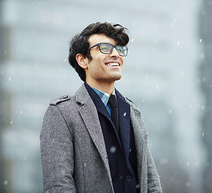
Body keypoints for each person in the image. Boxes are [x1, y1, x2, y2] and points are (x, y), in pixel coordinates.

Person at [40, 22, 162, 193]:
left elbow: (151, 182)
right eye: (104, 48)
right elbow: (59, 186)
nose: (115, 54)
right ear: (82, 60)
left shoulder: (133, 112)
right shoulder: (62, 113)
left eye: (119, 49)